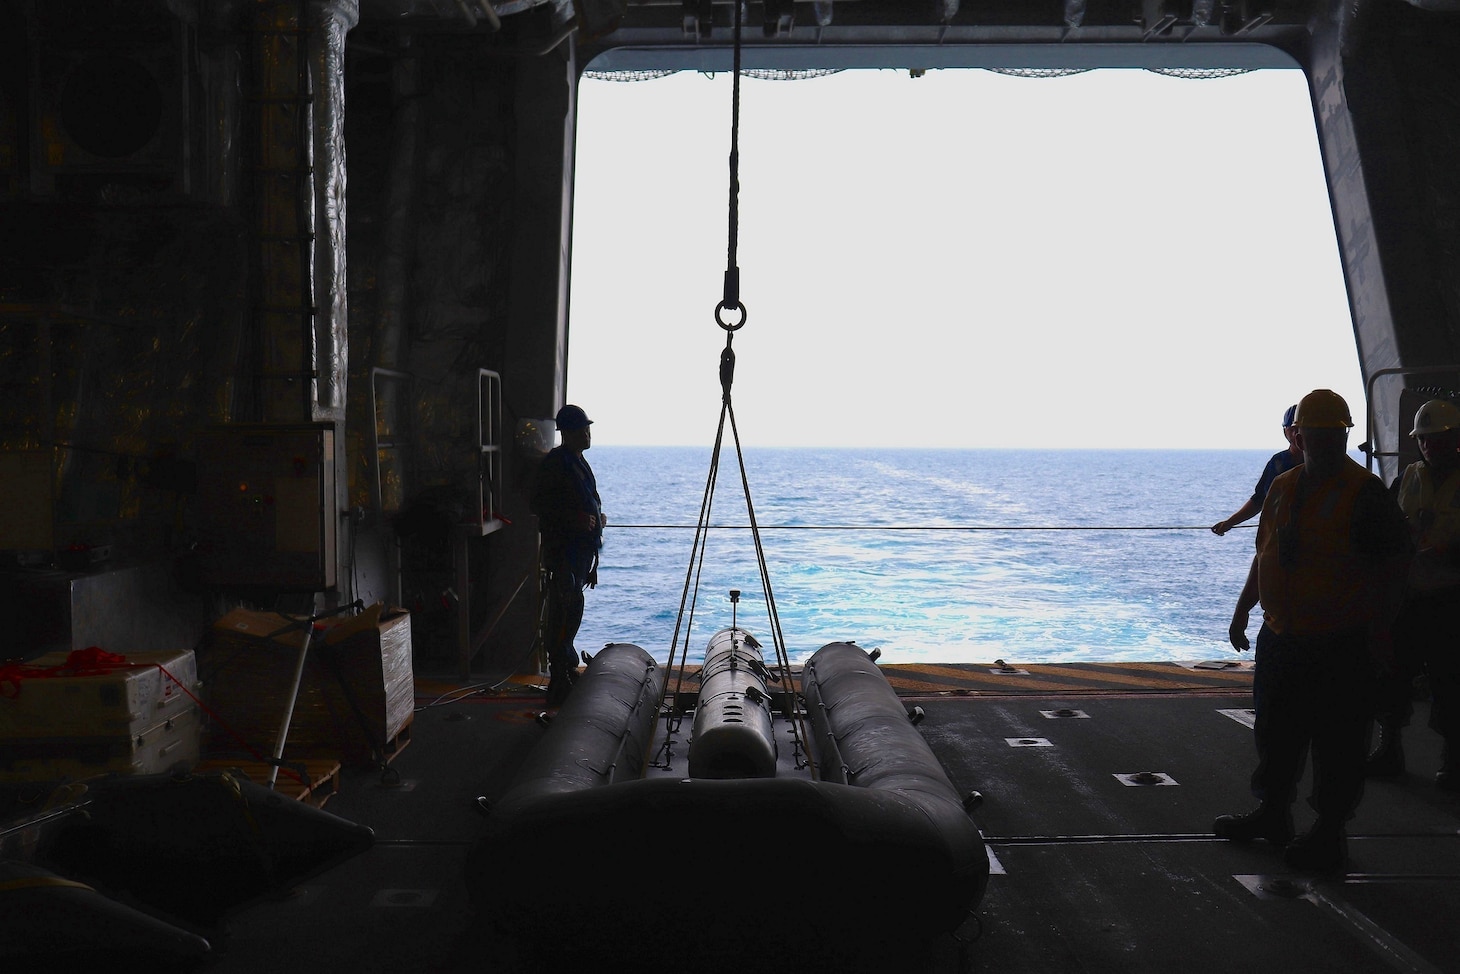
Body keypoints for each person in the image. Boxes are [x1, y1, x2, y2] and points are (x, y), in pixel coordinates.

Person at [1217, 389, 1411, 872]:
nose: (1321, 444)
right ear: (1297, 437)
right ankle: (1273, 814)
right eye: (1312, 436)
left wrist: (1381, 634)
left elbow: (1393, 570)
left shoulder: (1365, 494)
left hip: (1341, 643)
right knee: (1275, 733)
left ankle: (1328, 835)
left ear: (1343, 436)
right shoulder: (1282, 486)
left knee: (1338, 744)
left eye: (1331, 436)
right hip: (1281, 638)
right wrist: (1243, 611)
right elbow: (1265, 556)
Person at [1367, 398, 1460, 789]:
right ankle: (1390, 748)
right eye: (1423, 439)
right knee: (1393, 674)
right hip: (1408, 595)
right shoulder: (1407, 477)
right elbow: (1386, 528)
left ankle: (1454, 758)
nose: (1428, 445)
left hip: (1451, 597)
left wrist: (1448, 551)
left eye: (1435, 438)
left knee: (1450, 680)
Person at [531, 404, 605, 707]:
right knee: (562, 613)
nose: (588, 434)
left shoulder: (578, 461)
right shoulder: (556, 463)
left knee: (572, 609)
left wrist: (597, 518)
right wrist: (575, 519)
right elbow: (539, 505)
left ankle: (566, 669)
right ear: (569, 433)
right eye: (582, 430)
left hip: (580, 554)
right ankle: (559, 678)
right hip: (565, 552)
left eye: (588, 429)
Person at [1211, 404, 1303, 536]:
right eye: (1293, 429)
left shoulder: (1322, 463)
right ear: (1285, 431)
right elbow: (1259, 499)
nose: (1296, 433)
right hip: (1279, 538)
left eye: (1300, 429)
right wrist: (1229, 522)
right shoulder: (1277, 462)